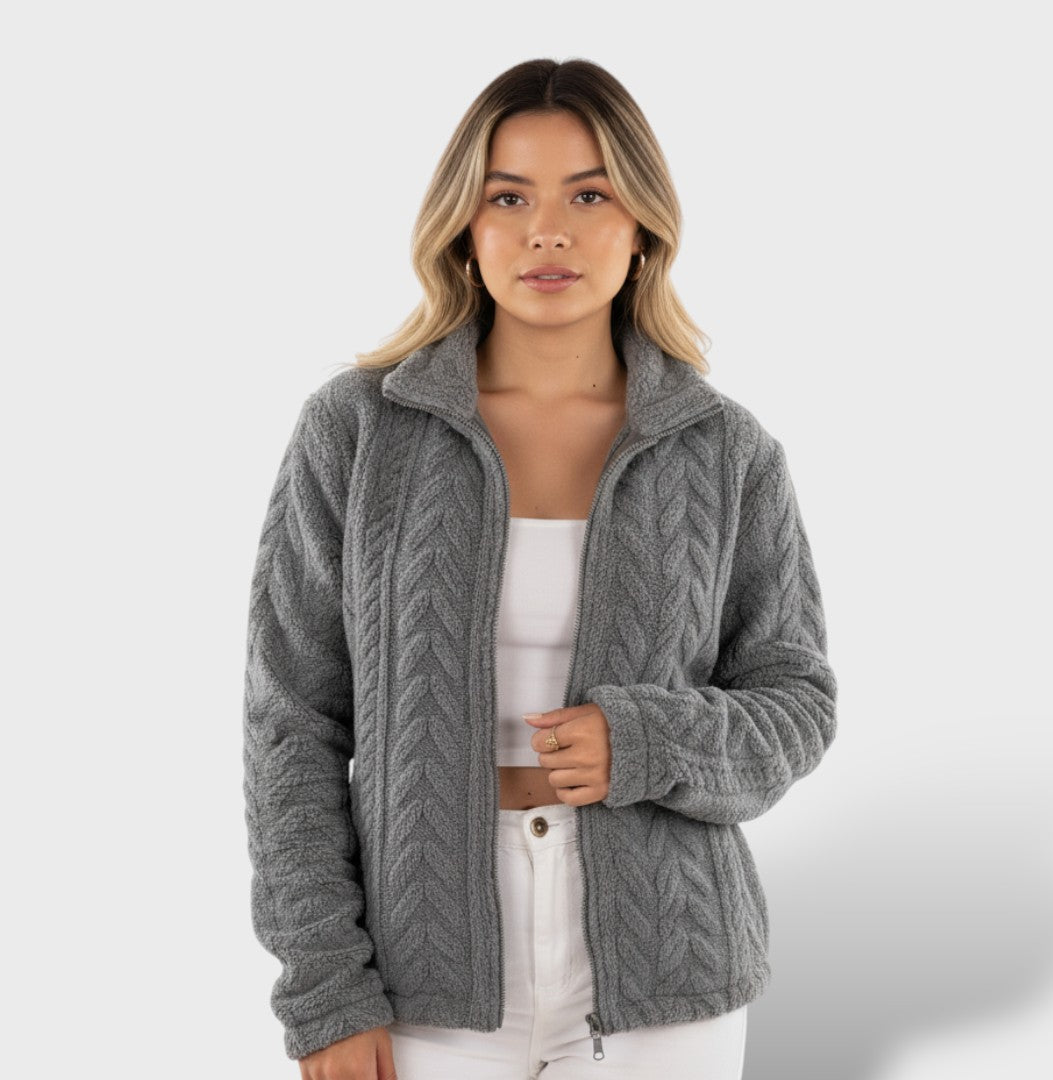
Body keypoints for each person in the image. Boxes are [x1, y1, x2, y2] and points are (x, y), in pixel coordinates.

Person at [242, 57, 838, 1080]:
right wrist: (325, 985)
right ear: (464, 228)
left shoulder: (725, 451)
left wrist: (647, 740)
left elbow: (797, 702)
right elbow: (289, 721)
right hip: (420, 975)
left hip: (667, 973)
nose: (547, 232)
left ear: (643, 226)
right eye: (509, 197)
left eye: (589, 196)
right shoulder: (358, 431)